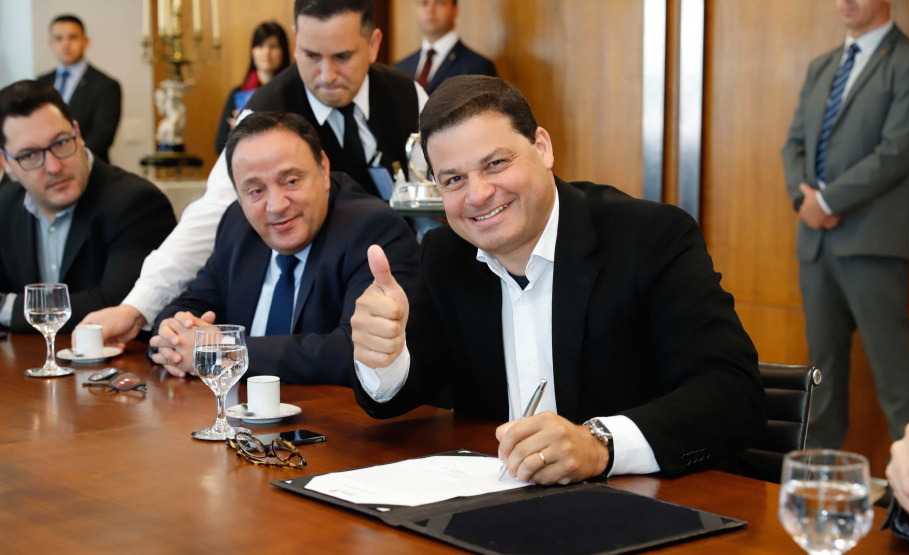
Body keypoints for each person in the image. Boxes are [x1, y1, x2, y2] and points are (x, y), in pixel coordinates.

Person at [350, 75, 766, 485]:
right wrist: (382, 357)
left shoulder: (649, 237)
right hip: (499, 508)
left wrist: (599, 445)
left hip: (648, 505)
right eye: (454, 179)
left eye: (495, 164)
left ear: (542, 148)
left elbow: (733, 396)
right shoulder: (447, 254)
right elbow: (400, 394)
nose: (476, 195)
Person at [79, 0, 427, 347]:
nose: (326, 75)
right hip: (320, 297)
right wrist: (137, 307)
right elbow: (210, 215)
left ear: (373, 44)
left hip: (410, 281)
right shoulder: (264, 111)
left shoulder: (408, 96)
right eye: (310, 56)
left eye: (342, 57)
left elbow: (435, 198)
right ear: (294, 40)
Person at [150, 112, 418, 383]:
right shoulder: (237, 225)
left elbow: (358, 352)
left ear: (323, 170)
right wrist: (173, 336)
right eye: (255, 191)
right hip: (232, 416)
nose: (277, 206)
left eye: (291, 181)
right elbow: (185, 307)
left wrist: (225, 353)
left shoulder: (373, 230)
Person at [781, 0, 909, 449]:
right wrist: (806, 200)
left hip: (873, 246)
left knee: (898, 382)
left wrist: (830, 199)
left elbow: (897, 151)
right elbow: (794, 144)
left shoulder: (907, 61)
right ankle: (817, 492)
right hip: (816, 245)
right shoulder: (823, 66)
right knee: (823, 380)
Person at [0, 81, 175, 334]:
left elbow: (116, 305)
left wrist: (7, 307)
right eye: (30, 155)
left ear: (78, 134)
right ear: (5, 161)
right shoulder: (5, 206)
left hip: (117, 369)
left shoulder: (137, 202)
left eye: (60, 143)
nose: (53, 167)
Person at [36, 14, 121, 164]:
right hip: (47, 166)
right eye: (59, 38)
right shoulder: (41, 82)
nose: (65, 44)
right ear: (51, 43)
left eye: (73, 37)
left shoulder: (106, 85)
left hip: (90, 167)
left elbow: (102, 137)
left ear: (85, 41)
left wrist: (66, 159)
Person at [214, 22, 291, 154]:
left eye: (273, 46)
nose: (267, 52)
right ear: (252, 51)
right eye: (260, 46)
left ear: (283, 51)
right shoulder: (238, 94)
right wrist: (237, 133)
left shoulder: (293, 92)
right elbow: (219, 145)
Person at [394, 0, 496, 94]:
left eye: (439, 2)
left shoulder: (478, 67)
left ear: (455, 10)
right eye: (424, 3)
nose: (430, 9)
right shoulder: (400, 69)